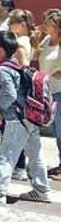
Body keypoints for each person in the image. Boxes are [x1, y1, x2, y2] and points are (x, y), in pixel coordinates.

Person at [0, 32, 52, 204]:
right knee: (35, 153)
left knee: (6, 154)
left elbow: (9, 93)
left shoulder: (3, 69)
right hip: (30, 115)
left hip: (16, 117)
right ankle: (41, 189)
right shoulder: (16, 64)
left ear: (0, 50)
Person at [37, 10, 61, 181]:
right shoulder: (46, 40)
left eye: (47, 22)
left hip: (59, 90)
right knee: (55, 130)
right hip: (47, 90)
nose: (44, 24)